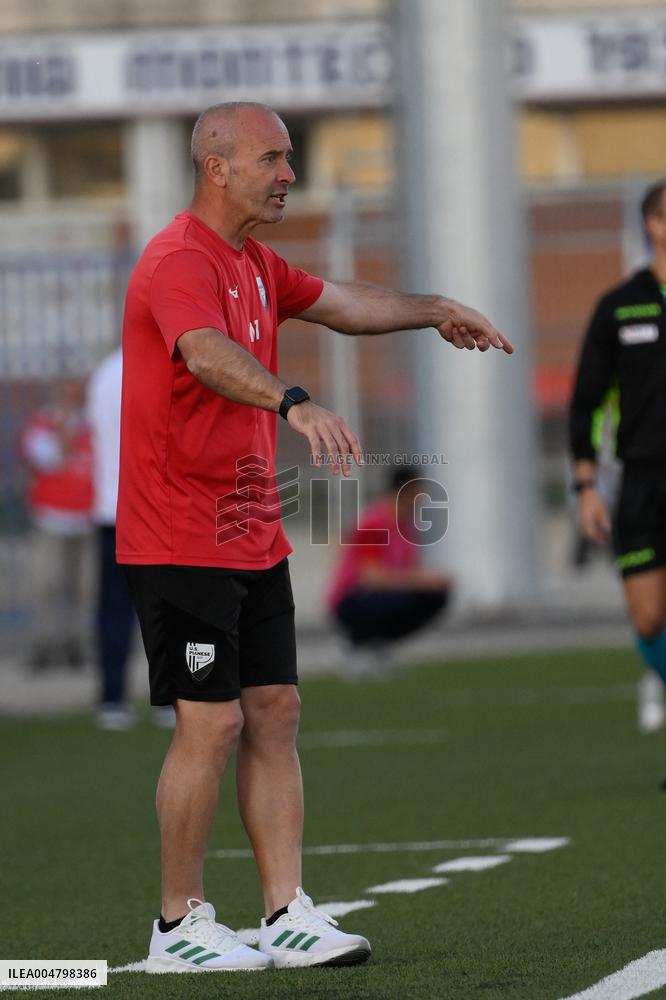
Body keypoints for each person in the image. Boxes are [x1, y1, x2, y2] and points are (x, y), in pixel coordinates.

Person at [116, 101, 512, 974]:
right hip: (179, 531)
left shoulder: (256, 262)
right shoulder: (178, 259)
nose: (289, 172)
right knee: (210, 725)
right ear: (216, 168)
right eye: (273, 158)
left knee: (277, 713)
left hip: (251, 530)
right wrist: (293, 399)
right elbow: (202, 350)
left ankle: (286, 912)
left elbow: (345, 304)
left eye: (289, 157)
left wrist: (434, 308)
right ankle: (179, 926)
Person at [569, 178, 666, 735]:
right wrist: (586, 488)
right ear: (652, 225)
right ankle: (656, 671)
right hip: (641, 482)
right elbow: (585, 403)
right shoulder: (619, 307)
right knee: (650, 617)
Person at [327, 466, 452, 676]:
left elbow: (411, 570)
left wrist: (431, 580)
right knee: (403, 599)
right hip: (352, 598)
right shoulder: (374, 522)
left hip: (382, 592)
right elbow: (371, 577)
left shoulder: (405, 526)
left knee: (434, 596)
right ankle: (355, 642)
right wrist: (417, 581)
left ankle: (377, 643)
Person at [20, 377, 93, 670]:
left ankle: (75, 644)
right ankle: (43, 646)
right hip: (50, 520)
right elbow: (51, 459)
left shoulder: (92, 426)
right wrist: (65, 428)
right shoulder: (40, 426)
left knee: (83, 590)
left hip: (85, 520)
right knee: (46, 587)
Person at [87, 348, 139, 731]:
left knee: (112, 610)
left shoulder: (105, 373)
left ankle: (112, 698)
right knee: (169, 609)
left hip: (110, 510)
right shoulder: (162, 364)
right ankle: (171, 696)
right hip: (152, 509)